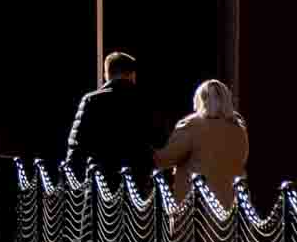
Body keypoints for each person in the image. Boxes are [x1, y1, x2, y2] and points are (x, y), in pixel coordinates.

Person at [66, 51, 156, 190]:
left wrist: (72, 174)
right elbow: (157, 138)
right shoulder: (144, 101)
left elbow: (78, 142)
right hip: (137, 178)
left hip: (101, 179)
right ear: (131, 74)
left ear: (107, 74)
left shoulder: (92, 100)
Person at [155, 78, 248, 210]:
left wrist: (145, 152)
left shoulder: (191, 126)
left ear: (200, 99)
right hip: (230, 205)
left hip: (196, 207)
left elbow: (167, 158)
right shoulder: (238, 129)